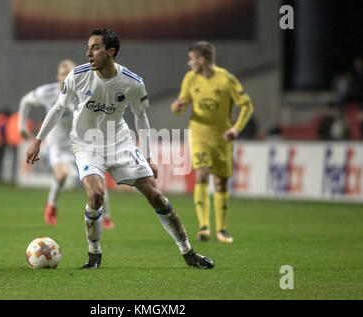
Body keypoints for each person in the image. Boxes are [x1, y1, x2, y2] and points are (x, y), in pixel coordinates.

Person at [26, 29, 213, 269]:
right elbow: (58, 108)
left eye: (94, 48)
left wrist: (147, 156)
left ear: (110, 52)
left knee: (156, 196)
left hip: (120, 143)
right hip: (86, 144)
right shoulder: (78, 75)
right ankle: (94, 256)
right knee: (96, 195)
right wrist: (38, 140)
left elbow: (141, 118)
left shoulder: (132, 82)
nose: (88, 53)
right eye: (88, 47)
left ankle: (188, 252)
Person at [171, 41, 254, 243]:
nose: (189, 63)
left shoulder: (226, 80)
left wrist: (236, 128)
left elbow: (247, 105)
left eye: (191, 59)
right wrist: (177, 106)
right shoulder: (190, 78)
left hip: (222, 136)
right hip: (198, 134)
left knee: (221, 182)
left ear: (202, 60)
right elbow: (180, 107)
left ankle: (222, 230)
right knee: (202, 174)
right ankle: (204, 227)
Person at [19, 59, 115, 228]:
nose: (65, 77)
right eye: (62, 74)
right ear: (58, 76)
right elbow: (25, 100)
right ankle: (52, 206)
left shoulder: (85, 92)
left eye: (69, 74)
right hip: (57, 144)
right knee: (62, 175)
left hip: (81, 144)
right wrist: (21, 126)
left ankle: (106, 216)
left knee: (97, 183)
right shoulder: (47, 92)